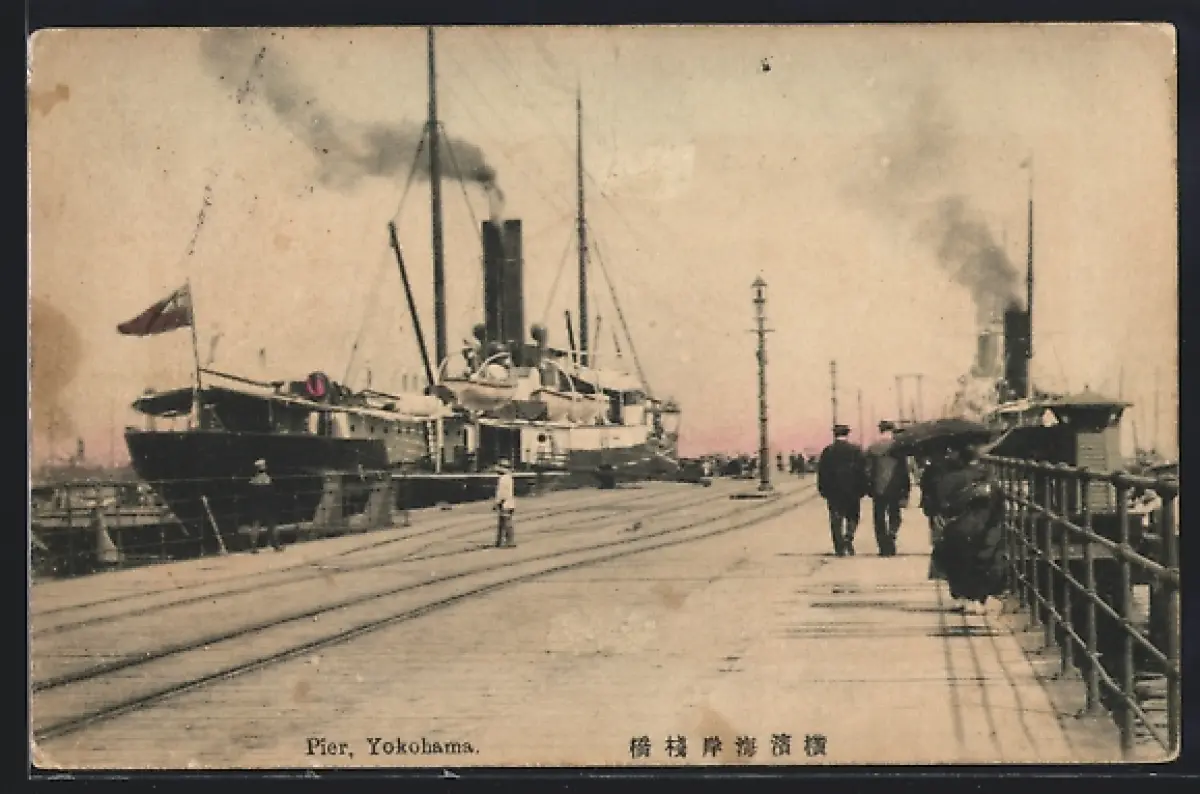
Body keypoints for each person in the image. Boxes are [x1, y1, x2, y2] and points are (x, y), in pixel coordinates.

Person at [931, 442, 1007, 609]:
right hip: (984, 528)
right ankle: (979, 597)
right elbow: (999, 506)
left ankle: (961, 595)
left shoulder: (949, 478)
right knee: (984, 559)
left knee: (956, 558)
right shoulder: (990, 480)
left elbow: (941, 504)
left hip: (957, 528)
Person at [818, 424, 868, 556]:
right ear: (847, 434)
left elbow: (822, 472)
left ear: (835, 434)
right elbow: (862, 471)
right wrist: (863, 488)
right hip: (853, 490)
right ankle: (848, 538)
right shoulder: (856, 450)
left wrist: (822, 489)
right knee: (853, 516)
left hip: (833, 492)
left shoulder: (828, 451)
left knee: (836, 518)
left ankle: (839, 547)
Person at [867, 421, 910, 557]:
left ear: (880, 431)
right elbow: (903, 471)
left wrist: (869, 486)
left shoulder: (872, 448)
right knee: (895, 515)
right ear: (892, 431)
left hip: (878, 488)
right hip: (895, 487)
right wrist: (906, 489)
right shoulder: (899, 448)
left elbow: (867, 470)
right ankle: (891, 535)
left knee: (879, 517)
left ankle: (883, 546)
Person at [248, 458, 282, 552]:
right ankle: (276, 545)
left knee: (256, 525)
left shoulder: (253, 480)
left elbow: (250, 494)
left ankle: (253, 547)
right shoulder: (268, 479)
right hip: (268, 504)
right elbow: (273, 493)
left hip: (256, 504)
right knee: (272, 524)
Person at [494, 460, 516, 548]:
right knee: (506, 523)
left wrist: (497, 503)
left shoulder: (503, 479)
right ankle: (502, 541)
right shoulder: (509, 478)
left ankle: (506, 541)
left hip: (504, 504)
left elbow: (502, 494)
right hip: (509, 503)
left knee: (505, 524)